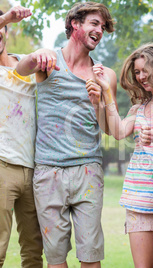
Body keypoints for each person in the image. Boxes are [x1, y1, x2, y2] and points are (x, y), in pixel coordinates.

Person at [16, 2, 117, 267]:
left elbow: (109, 128)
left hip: (88, 172)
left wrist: (101, 102)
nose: (100, 30)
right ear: (75, 24)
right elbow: (20, 70)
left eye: (103, 27)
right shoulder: (49, 61)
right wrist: (37, 54)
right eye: (95, 23)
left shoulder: (105, 75)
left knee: (90, 256)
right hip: (49, 172)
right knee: (56, 258)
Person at [90, 43, 153, 267]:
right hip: (139, 197)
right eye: (137, 72)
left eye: (144, 70)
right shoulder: (139, 109)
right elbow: (118, 131)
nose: (140, 76)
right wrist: (104, 95)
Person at [0, 6, 43, 267]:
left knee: (33, 250)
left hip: (33, 169)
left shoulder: (24, 64)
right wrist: (6, 17)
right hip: (2, 167)